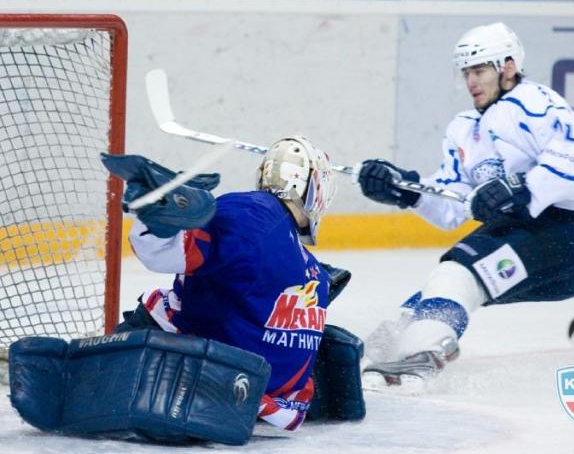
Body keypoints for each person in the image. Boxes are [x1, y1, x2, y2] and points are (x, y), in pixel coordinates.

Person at [9, 136, 364, 445]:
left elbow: (172, 252)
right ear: (314, 189)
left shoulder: (253, 213)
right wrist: (163, 220)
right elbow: (196, 256)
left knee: (160, 309)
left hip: (203, 383)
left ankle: (83, 377)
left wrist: (157, 223)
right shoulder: (310, 268)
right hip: (275, 407)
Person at [356, 22, 574, 390]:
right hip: (534, 229)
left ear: (509, 67)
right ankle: (393, 349)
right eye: (467, 72)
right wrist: (407, 190)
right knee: (443, 284)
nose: (471, 81)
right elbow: (453, 207)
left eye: (480, 70)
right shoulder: (464, 129)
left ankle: (417, 358)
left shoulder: (536, 102)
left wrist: (520, 187)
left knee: (462, 270)